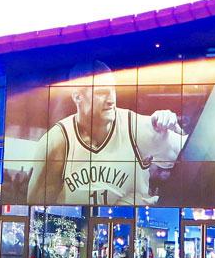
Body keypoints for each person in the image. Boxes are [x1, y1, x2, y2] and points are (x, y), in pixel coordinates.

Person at [30, 76, 189, 203]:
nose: (111, 100)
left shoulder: (135, 127)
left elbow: (191, 155)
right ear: (78, 96)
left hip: (132, 223)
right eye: (101, 92)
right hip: (84, 224)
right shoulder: (56, 142)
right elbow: (36, 206)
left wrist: (175, 129)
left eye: (113, 91)